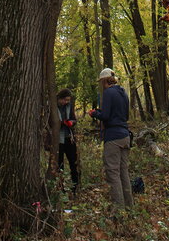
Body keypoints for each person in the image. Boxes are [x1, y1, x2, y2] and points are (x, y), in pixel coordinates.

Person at [89, 68, 133, 211]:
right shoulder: (123, 93)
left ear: (104, 81)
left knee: (113, 173)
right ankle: (129, 207)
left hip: (113, 138)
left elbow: (106, 116)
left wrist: (95, 113)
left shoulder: (108, 93)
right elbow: (124, 115)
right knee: (123, 172)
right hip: (125, 135)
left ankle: (119, 211)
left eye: (101, 81)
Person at [57, 88, 79, 193]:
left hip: (69, 137)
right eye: (65, 100)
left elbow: (74, 119)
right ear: (60, 98)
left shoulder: (69, 107)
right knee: (59, 165)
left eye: (68, 100)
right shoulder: (53, 106)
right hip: (58, 139)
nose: (66, 102)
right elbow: (50, 122)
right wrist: (62, 123)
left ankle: (75, 187)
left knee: (74, 162)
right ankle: (61, 189)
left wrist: (71, 122)